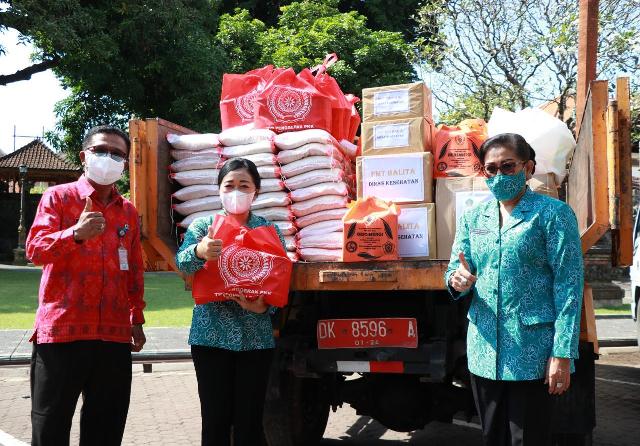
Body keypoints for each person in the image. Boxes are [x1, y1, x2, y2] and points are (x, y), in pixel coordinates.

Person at [445, 133, 583, 446]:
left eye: (507, 166)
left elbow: (569, 286)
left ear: (528, 167)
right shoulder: (473, 217)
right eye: (490, 169)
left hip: (531, 352)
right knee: (492, 437)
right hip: (484, 351)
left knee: (527, 439)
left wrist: (562, 354)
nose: (497, 175)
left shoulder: (553, 215)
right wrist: (458, 280)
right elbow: (456, 269)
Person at [26, 125, 146, 446]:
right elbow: (35, 249)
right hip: (62, 334)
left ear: (125, 164)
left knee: (105, 432)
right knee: (50, 430)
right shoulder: (59, 197)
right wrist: (74, 234)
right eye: (101, 151)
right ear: (84, 156)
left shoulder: (129, 213)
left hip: (114, 336)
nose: (109, 158)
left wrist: (137, 318)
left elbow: (134, 269)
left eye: (118, 154)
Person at [175, 158, 286, 446]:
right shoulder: (203, 226)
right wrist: (199, 251)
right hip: (210, 337)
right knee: (215, 420)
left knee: (250, 421)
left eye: (244, 185)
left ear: (256, 192)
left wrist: (262, 306)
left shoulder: (269, 230)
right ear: (219, 190)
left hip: (256, 339)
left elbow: (279, 277)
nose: (236, 191)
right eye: (229, 185)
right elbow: (183, 265)